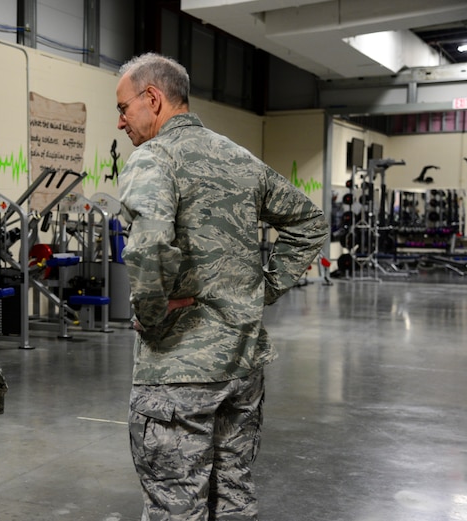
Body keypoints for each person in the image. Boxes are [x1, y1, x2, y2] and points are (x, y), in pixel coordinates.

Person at [114, 53, 329, 520]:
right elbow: (310, 223)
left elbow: (147, 246)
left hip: (179, 371)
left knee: (176, 506)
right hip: (241, 364)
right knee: (233, 497)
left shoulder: (153, 158)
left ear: (152, 98)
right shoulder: (239, 158)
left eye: (124, 108)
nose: (120, 122)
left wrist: (151, 316)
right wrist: (260, 290)